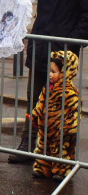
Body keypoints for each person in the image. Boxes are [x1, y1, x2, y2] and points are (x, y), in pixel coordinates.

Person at [10, 0, 88, 163]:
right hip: (41, 45)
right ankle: (28, 142)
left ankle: (56, 151)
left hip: (64, 50)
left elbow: (86, 15)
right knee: (34, 98)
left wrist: (70, 44)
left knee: (59, 103)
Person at [31, 50, 80, 179]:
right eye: (50, 72)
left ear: (65, 73)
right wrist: (36, 114)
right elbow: (41, 101)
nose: (50, 75)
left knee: (61, 149)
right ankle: (43, 167)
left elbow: (73, 110)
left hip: (61, 128)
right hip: (46, 125)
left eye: (54, 72)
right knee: (43, 146)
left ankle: (62, 170)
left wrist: (70, 127)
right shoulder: (48, 88)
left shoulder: (69, 91)